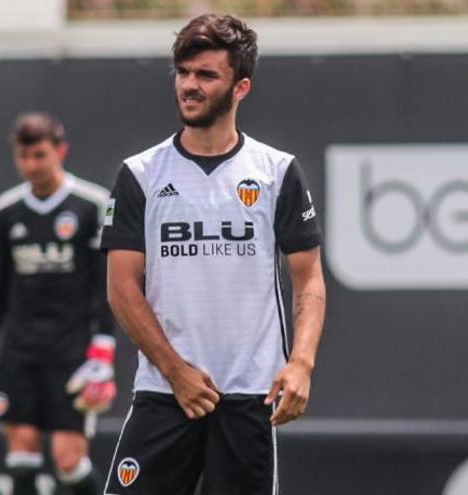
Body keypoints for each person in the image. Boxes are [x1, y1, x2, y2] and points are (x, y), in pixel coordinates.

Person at [100, 14, 327, 495]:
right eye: (183, 73)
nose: (189, 85)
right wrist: (175, 370)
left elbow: (308, 278)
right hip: (166, 394)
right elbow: (121, 286)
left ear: (240, 87)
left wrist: (301, 363)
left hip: (248, 398)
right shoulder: (140, 173)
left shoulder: (276, 171)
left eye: (206, 75)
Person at [0, 112, 116, 495]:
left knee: (68, 460)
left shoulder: (91, 205)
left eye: (40, 155)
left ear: (60, 151)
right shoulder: (5, 212)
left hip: (71, 351)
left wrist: (103, 355)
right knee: (22, 453)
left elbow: (108, 287)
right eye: (24, 156)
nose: (31, 165)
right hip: (21, 351)